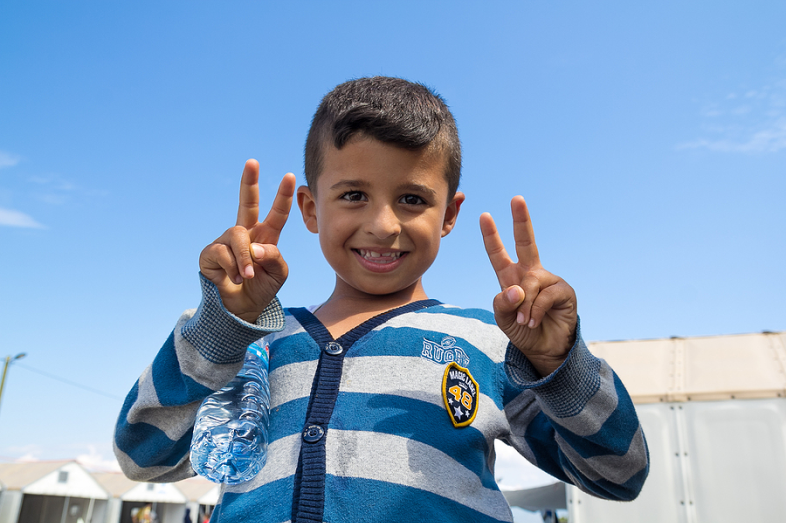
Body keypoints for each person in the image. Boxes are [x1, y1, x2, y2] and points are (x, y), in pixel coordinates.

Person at [114, 77, 649, 522]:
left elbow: (618, 474)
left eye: (412, 199)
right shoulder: (252, 340)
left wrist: (559, 363)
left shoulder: (490, 343)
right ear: (309, 207)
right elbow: (144, 457)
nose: (383, 224)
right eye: (353, 195)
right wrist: (223, 324)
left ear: (449, 215)